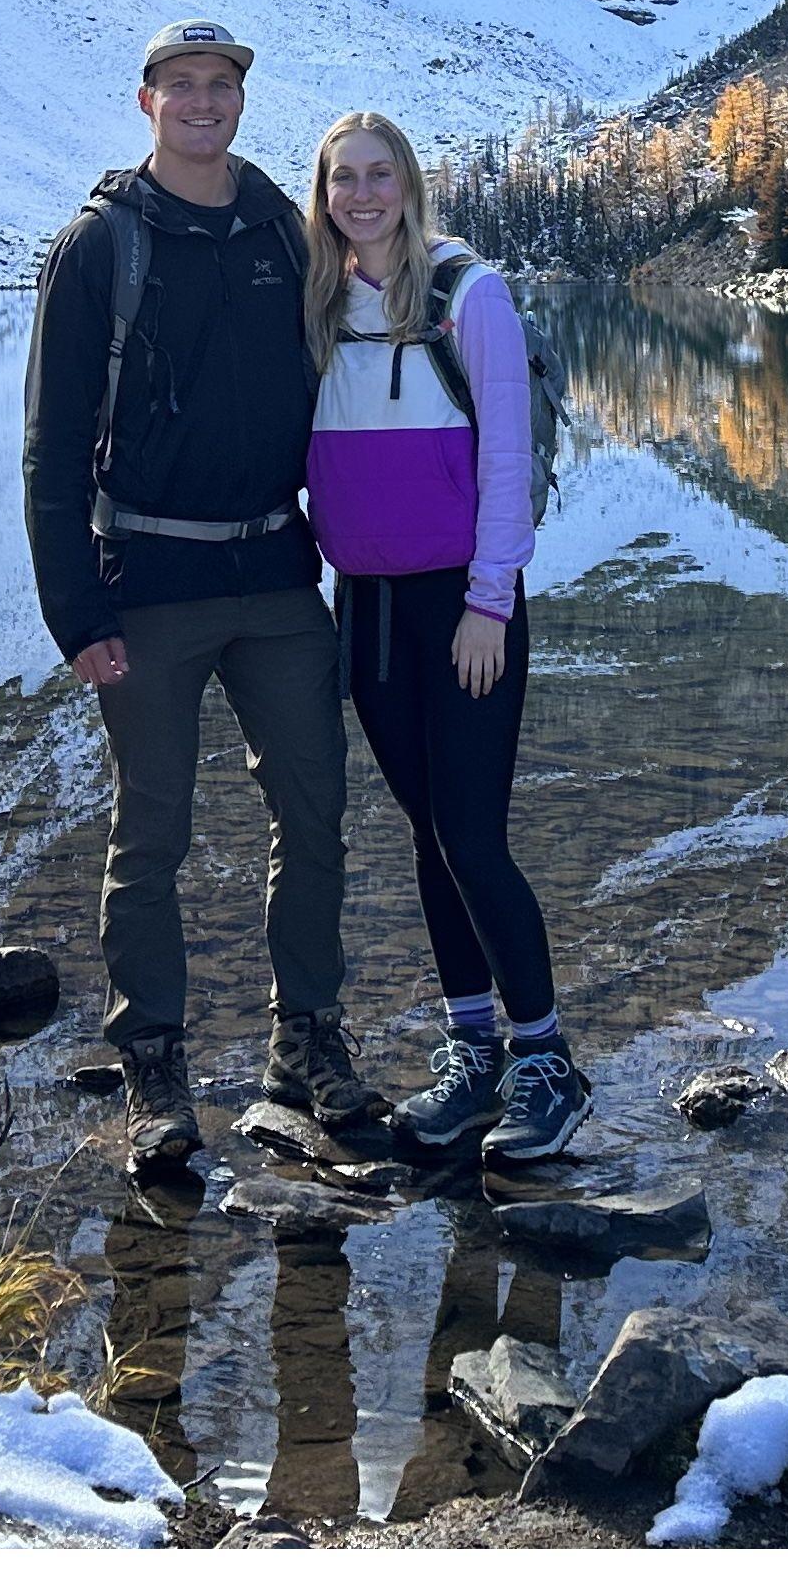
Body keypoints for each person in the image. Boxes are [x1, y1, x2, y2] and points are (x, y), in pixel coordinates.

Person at [22, 20, 384, 1179]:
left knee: (316, 812)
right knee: (153, 834)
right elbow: (50, 448)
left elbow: (369, 352)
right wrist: (76, 617)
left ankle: (307, 1040)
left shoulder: (287, 226)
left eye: (219, 86)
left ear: (240, 100)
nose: (201, 103)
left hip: (280, 575)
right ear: (146, 102)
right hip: (150, 588)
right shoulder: (99, 247)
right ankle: (155, 1065)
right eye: (180, 85)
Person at [300, 108, 588, 1165]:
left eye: (380, 175)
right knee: (426, 836)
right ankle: (473, 1051)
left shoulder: (472, 297)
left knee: (473, 837)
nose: (362, 195)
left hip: (463, 610)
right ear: (323, 194)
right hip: (366, 608)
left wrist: (490, 601)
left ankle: (548, 1063)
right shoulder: (324, 303)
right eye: (343, 180)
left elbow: (506, 461)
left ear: (411, 187)